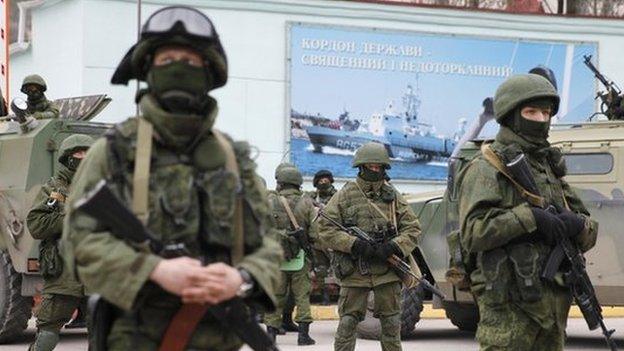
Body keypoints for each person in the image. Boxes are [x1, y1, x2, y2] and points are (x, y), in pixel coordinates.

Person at [62, 6, 282, 350]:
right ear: (148, 71)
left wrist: (240, 279)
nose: (178, 68)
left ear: (209, 72)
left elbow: (268, 244)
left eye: (190, 61)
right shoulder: (116, 151)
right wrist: (153, 270)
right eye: (167, 60)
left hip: (220, 339)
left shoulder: (234, 159)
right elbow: (79, 244)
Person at [458, 74, 598, 351]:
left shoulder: (548, 168)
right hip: (509, 313)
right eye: (531, 111)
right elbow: (473, 234)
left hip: (553, 312)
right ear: (511, 115)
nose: (541, 119)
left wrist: (577, 225)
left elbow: (589, 232)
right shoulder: (488, 167)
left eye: (546, 113)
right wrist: (531, 218)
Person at [318, 142, 420, 351]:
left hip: (387, 270)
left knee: (392, 324)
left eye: (379, 167)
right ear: (361, 167)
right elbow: (326, 229)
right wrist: (354, 244)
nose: (375, 171)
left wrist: (394, 246)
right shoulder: (345, 194)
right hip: (355, 270)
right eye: (370, 167)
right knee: (347, 323)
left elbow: (413, 228)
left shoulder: (392, 196)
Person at [26, 134, 94, 350]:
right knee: (46, 337)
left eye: (87, 153)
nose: (84, 157)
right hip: (64, 276)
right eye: (78, 153)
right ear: (67, 157)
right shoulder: (55, 189)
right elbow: (36, 225)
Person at [265, 166, 316, 345]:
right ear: (298, 183)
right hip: (300, 258)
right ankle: (303, 336)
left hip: (276, 257)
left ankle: (271, 334)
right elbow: (316, 234)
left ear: (280, 182)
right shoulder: (306, 203)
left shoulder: (269, 201)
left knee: (275, 296)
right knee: (302, 296)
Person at [307, 169, 337, 305]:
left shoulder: (338, 197)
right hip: (317, 240)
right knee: (321, 269)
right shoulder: (311, 198)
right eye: (320, 180)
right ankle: (325, 296)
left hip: (334, 239)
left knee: (338, 268)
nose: (324, 182)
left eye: (326, 180)